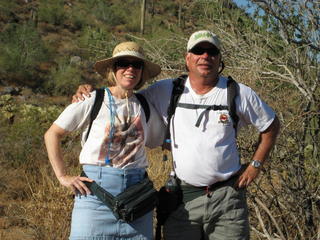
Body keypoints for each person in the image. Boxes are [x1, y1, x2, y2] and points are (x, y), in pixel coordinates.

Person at [73, 30, 280, 240]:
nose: (205, 56)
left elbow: (271, 126)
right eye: (198, 50)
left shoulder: (238, 93)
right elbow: (123, 95)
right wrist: (90, 92)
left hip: (227, 198)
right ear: (188, 58)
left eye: (212, 51)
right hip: (182, 201)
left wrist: (256, 165)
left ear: (219, 58)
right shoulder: (168, 89)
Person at [44, 41, 164, 240]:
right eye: (123, 63)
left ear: (142, 71)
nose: (130, 69)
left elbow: (161, 140)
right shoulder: (93, 98)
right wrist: (62, 176)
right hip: (94, 197)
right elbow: (52, 134)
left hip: (136, 199)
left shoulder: (145, 105)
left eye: (137, 65)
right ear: (113, 69)